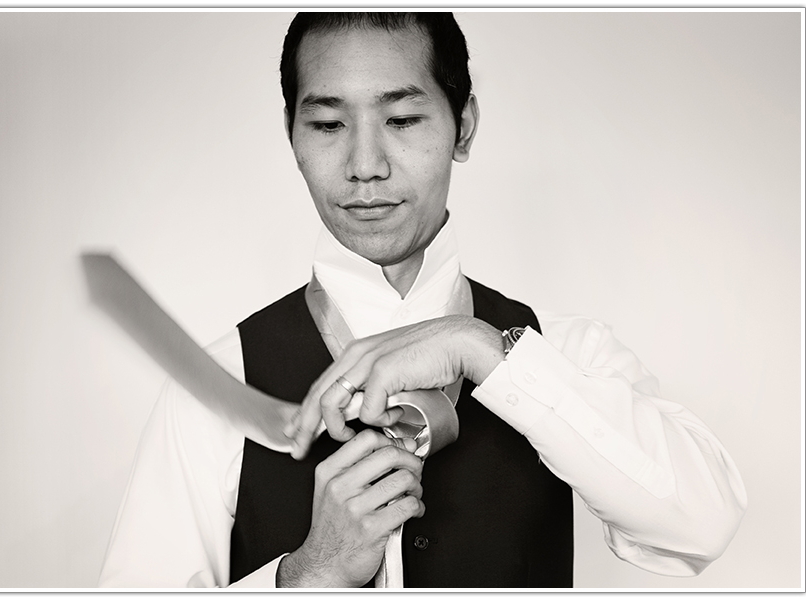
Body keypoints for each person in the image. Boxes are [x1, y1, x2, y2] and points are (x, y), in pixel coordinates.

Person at [97, 12, 746, 588]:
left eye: (402, 119)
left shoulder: (562, 352)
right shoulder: (216, 385)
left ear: (464, 127)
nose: (365, 165)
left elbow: (704, 524)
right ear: (292, 136)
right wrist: (308, 576)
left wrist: (482, 351)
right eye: (327, 123)